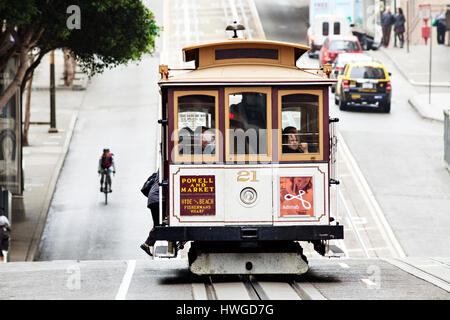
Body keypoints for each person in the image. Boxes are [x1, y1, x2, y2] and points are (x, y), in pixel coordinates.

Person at [140, 170, 165, 256]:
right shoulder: (165, 170)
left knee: (158, 224)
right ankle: (146, 244)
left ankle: (147, 244)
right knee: (158, 225)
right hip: (158, 199)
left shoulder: (160, 171)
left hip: (154, 199)